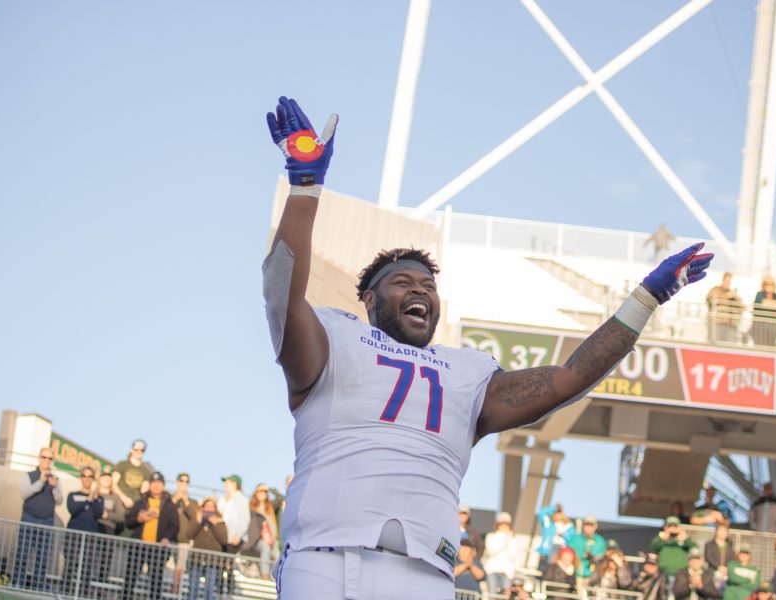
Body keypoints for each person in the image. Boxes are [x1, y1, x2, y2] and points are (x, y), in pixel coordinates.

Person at [263, 96, 713, 598]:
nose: (419, 290)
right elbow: (282, 295)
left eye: (428, 286)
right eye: (402, 282)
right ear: (367, 298)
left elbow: (567, 378)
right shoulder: (336, 338)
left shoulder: (467, 371)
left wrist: (647, 297)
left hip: (424, 573)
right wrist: (306, 188)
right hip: (327, 559)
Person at [12, 447, 63, 591]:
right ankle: (18, 583)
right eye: (44, 457)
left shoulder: (55, 479)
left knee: (43, 556)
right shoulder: (29, 475)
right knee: (23, 552)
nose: (47, 460)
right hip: (29, 518)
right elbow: (24, 493)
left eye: (50, 458)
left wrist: (54, 487)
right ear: (39, 458)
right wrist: (40, 482)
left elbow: (60, 500)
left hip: (47, 520)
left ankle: (38, 585)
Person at [122, 471, 179, 600]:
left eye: (159, 483)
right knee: (130, 579)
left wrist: (166, 538)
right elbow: (128, 521)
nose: (156, 486)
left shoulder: (169, 505)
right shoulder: (141, 502)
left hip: (158, 549)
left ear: (163, 485)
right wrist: (139, 519)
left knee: (155, 583)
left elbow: (175, 525)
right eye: (153, 483)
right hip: (139, 546)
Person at [63, 466, 104, 597]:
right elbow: (72, 510)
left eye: (90, 476)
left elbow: (99, 514)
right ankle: (66, 592)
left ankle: (83, 595)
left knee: (87, 567)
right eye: (84, 476)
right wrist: (87, 499)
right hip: (73, 534)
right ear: (81, 477)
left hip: (90, 537)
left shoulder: (99, 498)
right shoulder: (73, 495)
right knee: (70, 564)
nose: (87, 479)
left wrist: (95, 498)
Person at [186, 497, 228, 600]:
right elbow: (189, 534)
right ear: (202, 507)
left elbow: (224, 540)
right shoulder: (197, 519)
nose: (209, 509)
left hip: (213, 562)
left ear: (215, 509)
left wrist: (215, 524)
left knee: (209, 590)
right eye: (206, 506)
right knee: (193, 588)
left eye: (211, 506)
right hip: (197, 559)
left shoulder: (220, 522)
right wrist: (197, 522)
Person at [94, 469, 124, 585]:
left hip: (108, 530)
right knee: (91, 558)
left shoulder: (115, 497)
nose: (106, 480)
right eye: (103, 477)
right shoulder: (95, 494)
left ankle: (101, 585)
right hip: (94, 528)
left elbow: (121, 517)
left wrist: (108, 515)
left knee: (105, 560)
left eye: (108, 478)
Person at [483, 512, 521, 595]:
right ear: (497, 525)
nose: (504, 527)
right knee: (492, 595)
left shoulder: (512, 539)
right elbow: (491, 551)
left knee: (505, 597)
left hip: (506, 573)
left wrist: (509, 539)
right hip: (492, 571)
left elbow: (513, 556)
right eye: (502, 524)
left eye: (506, 524)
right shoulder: (491, 536)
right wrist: (505, 540)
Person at [173, 472, 198, 593]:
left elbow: (196, 517)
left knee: (180, 567)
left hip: (184, 541)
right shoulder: (170, 498)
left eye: (186, 481)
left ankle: (176, 590)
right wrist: (175, 499)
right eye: (181, 480)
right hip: (170, 539)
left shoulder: (192, 502)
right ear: (177, 482)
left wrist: (186, 501)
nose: (184, 483)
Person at [113, 439, 154, 511]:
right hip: (119, 501)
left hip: (135, 506)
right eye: (136, 449)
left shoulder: (146, 471)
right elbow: (113, 484)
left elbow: (143, 492)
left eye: (142, 450)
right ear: (132, 450)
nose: (139, 452)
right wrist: (124, 498)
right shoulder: (122, 464)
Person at [567, 514, 608, 581]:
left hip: (594, 576)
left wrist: (592, 557)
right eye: (587, 524)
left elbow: (603, 556)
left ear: (595, 526)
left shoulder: (600, 541)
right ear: (583, 525)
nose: (588, 527)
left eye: (591, 525)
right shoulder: (575, 539)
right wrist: (581, 556)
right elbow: (568, 553)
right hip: (576, 574)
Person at [707, 273, 744, 342]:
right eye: (727, 281)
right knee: (714, 344)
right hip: (717, 323)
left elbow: (742, 307)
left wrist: (736, 297)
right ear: (723, 280)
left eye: (729, 281)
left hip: (730, 325)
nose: (728, 283)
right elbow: (711, 300)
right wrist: (726, 296)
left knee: (728, 346)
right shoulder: (715, 290)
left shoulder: (733, 294)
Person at [753, 277, 776, 346]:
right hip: (761, 326)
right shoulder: (759, 294)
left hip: (774, 328)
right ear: (763, 285)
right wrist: (775, 304)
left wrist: (766, 303)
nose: (769, 286)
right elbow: (758, 302)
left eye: (771, 284)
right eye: (767, 284)